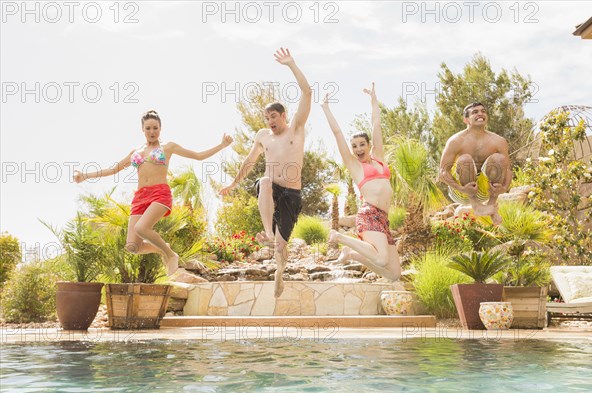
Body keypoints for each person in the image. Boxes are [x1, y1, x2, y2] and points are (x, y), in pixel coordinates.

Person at [74, 110, 233, 276]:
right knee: (132, 246)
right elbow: (114, 169)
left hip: (159, 194)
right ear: (142, 129)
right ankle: (163, 249)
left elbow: (198, 156)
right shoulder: (135, 152)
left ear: (160, 129)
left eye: (155, 128)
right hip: (140, 197)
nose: (152, 132)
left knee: (142, 227)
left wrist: (222, 145)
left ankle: (171, 255)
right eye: (148, 128)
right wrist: (85, 176)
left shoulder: (168, 147)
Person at [219, 48, 312, 298]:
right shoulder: (262, 136)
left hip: (292, 194)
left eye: (273, 116)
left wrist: (292, 64)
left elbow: (307, 92)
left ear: (284, 116)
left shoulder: (297, 129)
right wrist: (232, 185)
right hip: (272, 191)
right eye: (266, 117)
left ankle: (279, 271)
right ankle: (269, 234)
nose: (270, 120)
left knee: (281, 251)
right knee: (264, 179)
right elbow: (249, 162)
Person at [322, 83, 401, 281]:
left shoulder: (379, 158)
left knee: (394, 274)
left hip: (383, 218)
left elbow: (376, 124)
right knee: (382, 260)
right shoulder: (355, 166)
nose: (358, 149)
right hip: (369, 215)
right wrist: (326, 108)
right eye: (354, 146)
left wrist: (373, 100)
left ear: (368, 145)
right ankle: (340, 238)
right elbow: (338, 134)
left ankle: (352, 254)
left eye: (361, 145)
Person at [438, 102, 512, 225]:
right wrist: (462, 188)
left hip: (485, 191)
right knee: (465, 159)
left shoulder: (498, 141)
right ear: (466, 120)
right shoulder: (456, 141)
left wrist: (503, 188)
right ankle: (476, 206)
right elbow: (442, 172)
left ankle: (491, 207)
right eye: (475, 112)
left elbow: (508, 170)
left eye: (483, 111)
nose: (480, 114)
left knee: (499, 159)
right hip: (461, 192)